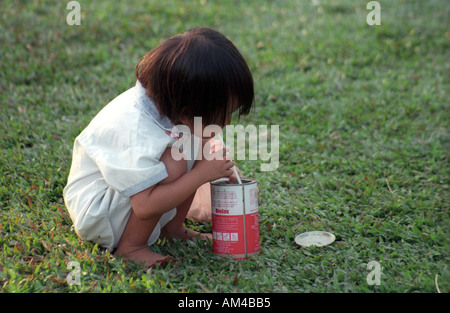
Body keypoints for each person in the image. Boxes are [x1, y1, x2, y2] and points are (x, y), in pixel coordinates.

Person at [63, 27, 254, 268]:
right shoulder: (135, 127)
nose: (227, 123)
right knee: (177, 161)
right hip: (100, 212)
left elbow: (203, 146)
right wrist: (202, 175)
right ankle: (131, 247)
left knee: (199, 146)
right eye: (223, 115)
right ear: (187, 113)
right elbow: (144, 206)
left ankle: (172, 230)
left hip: (127, 198)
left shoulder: (171, 106)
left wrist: (222, 171)